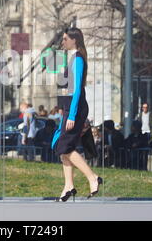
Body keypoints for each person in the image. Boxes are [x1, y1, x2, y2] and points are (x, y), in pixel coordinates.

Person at [51, 27, 102, 202]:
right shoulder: (71, 58)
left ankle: (92, 177)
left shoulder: (78, 59)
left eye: (66, 39)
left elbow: (78, 90)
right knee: (61, 147)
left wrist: (72, 115)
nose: (63, 42)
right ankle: (68, 186)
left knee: (64, 147)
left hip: (76, 109)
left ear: (75, 40)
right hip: (69, 108)